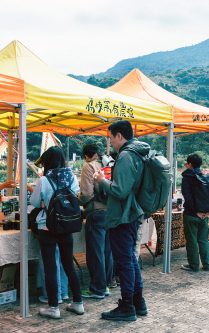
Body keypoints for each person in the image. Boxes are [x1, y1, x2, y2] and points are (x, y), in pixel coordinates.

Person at [95, 120, 148, 321]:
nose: (111, 143)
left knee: (125, 262)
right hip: (132, 214)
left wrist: (102, 181)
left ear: (119, 136)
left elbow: (120, 190)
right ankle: (138, 303)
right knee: (130, 260)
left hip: (123, 216)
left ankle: (127, 306)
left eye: (111, 138)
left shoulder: (126, 156)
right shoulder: (138, 153)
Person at [30, 146, 84, 319]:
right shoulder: (72, 178)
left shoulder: (44, 180)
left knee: (50, 267)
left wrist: (45, 202)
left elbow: (36, 202)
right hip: (66, 226)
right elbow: (75, 197)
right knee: (68, 265)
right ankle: (78, 303)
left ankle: (53, 307)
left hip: (47, 227)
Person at [79, 144, 112, 300]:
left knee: (95, 252)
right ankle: (106, 284)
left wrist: (77, 199)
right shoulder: (110, 163)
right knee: (107, 250)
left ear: (87, 156)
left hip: (96, 212)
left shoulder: (89, 167)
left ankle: (97, 289)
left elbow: (86, 194)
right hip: (110, 212)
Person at [181, 154, 209, 272]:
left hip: (191, 214)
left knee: (191, 241)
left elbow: (187, 196)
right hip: (204, 215)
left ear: (189, 164)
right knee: (203, 240)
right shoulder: (204, 177)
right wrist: (206, 212)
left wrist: (195, 212)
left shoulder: (187, 177)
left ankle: (194, 266)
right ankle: (208, 265)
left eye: (186, 163)